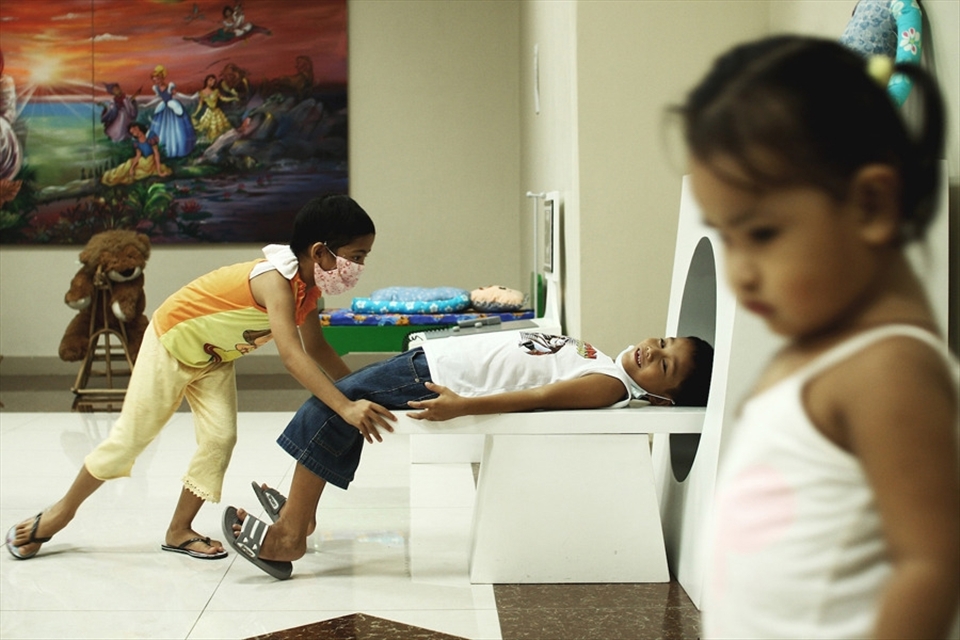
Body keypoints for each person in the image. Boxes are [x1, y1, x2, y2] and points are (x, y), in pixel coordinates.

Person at [677, 36, 959, 638]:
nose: (739, 270)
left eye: (762, 233)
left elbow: (931, 566)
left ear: (872, 205)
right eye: (726, 238)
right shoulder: (816, 349)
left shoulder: (889, 370)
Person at [5, 195, 384, 562]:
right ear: (320, 252)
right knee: (129, 440)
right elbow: (292, 356)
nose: (360, 267)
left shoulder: (308, 288)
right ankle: (59, 514)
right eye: (356, 257)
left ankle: (179, 530)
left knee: (220, 438)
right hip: (170, 343)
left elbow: (317, 348)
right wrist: (345, 406)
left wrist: (362, 390)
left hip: (213, 358)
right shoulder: (275, 280)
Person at [223, 331, 715, 579]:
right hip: (430, 360)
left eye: (666, 364)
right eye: (665, 341)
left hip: (436, 378)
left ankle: (290, 536)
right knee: (337, 408)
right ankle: (299, 516)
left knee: (330, 409)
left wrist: (463, 406)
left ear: (662, 398)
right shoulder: (605, 362)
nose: (655, 349)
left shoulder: (608, 386)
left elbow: (539, 399)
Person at [146, 65, 196, 159]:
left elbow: (179, 94)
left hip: (172, 109)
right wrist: (146, 105)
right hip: (164, 109)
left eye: (157, 79)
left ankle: (177, 149)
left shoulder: (169, 87)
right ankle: (163, 150)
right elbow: (157, 98)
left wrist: (190, 98)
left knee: (176, 129)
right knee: (161, 129)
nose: (156, 81)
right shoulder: (156, 88)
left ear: (162, 78)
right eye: (154, 80)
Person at [100, 122, 172, 186]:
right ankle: (111, 177)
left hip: (150, 161)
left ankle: (112, 177)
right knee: (130, 167)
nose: (133, 134)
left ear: (137, 128)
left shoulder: (150, 135)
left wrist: (159, 172)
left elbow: (156, 154)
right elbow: (138, 155)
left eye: (134, 131)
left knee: (131, 167)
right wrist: (132, 168)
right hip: (142, 161)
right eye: (132, 133)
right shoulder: (136, 141)